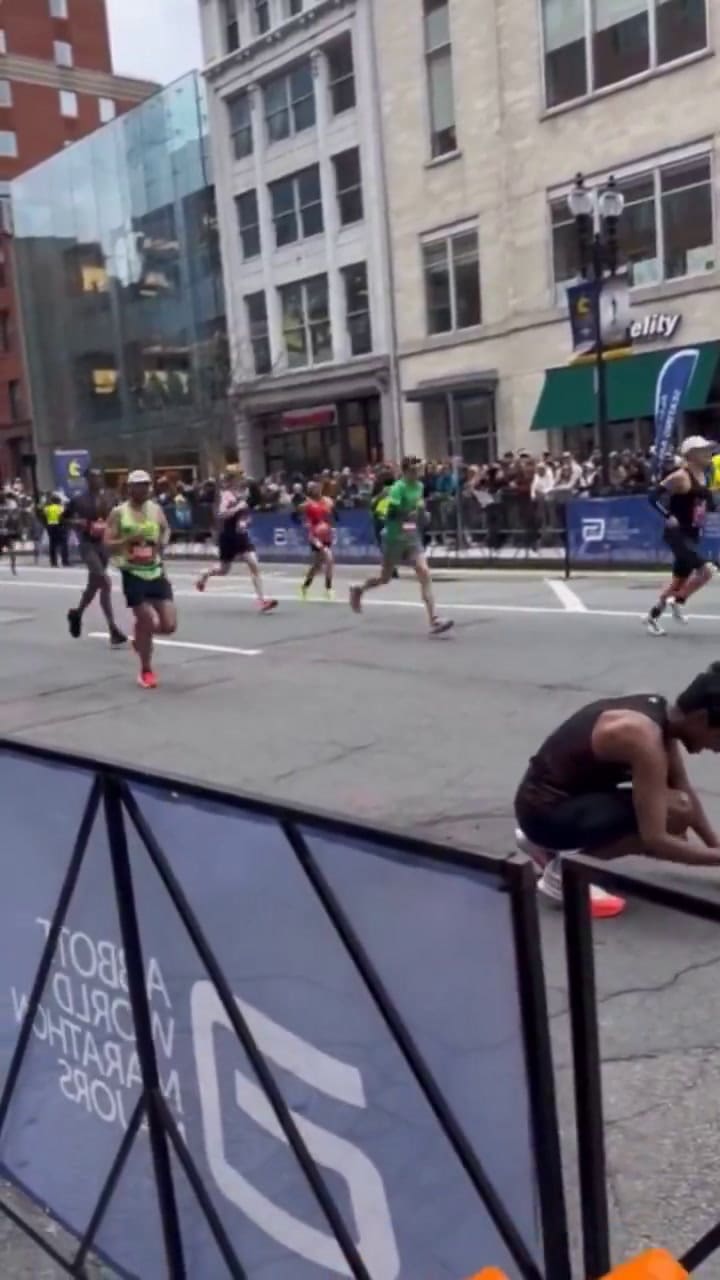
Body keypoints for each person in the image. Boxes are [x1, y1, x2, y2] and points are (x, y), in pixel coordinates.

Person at [514, 665, 720, 920]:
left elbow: (681, 785)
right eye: (719, 738)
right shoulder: (642, 738)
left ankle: (545, 847)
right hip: (543, 812)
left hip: (547, 802)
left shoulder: (659, 717)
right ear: (700, 718)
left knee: (678, 807)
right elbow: (656, 839)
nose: (717, 749)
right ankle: (563, 873)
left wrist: (715, 846)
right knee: (672, 816)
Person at [349, 457, 453, 635]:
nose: (417, 473)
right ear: (405, 472)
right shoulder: (397, 488)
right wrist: (409, 513)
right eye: (413, 470)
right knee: (385, 578)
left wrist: (422, 513)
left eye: (418, 470)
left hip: (411, 535)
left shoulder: (419, 487)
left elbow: (418, 506)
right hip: (393, 536)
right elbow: (391, 513)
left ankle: (434, 619)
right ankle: (359, 589)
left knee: (424, 571)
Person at [104, 470, 176, 690]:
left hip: (156, 570)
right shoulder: (119, 513)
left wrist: (161, 544)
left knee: (169, 625)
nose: (143, 489)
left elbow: (165, 529)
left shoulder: (155, 509)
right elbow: (107, 542)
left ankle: (140, 636)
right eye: (138, 485)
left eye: (146, 485)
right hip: (132, 572)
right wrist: (128, 539)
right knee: (146, 619)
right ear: (129, 488)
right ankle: (146, 669)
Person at [646, 436, 716, 636]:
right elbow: (652, 497)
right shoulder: (680, 476)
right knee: (707, 571)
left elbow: (708, 503)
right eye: (704, 450)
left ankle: (652, 617)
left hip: (693, 534)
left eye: (709, 449)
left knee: (678, 582)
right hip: (676, 535)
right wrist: (668, 515)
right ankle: (677, 601)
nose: (709, 453)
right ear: (691, 455)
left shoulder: (706, 475)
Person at [195, 468, 277, 612]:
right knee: (223, 569)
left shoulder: (243, 494)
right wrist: (238, 508)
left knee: (253, 563)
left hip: (241, 534)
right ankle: (204, 575)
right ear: (232, 480)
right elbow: (221, 514)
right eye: (240, 477)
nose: (243, 479)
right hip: (228, 535)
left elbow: (246, 514)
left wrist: (245, 520)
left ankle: (262, 600)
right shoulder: (226, 495)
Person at [66, 470, 126, 647]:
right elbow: (64, 518)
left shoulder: (110, 497)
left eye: (99, 477)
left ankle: (76, 614)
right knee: (104, 581)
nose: (96, 480)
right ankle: (113, 629)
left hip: (104, 544)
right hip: (87, 544)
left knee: (94, 586)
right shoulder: (78, 500)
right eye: (92, 478)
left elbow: (119, 516)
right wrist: (77, 523)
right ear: (86, 480)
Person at [298, 481, 335, 601]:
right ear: (310, 491)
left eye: (318, 487)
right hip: (315, 536)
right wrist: (304, 519)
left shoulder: (327, 501)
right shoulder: (307, 504)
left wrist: (330, 514)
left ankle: (305, 586)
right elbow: (296, 514)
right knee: (329, 558)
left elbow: (332, 517)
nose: (317, 490)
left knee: (317, 566)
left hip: (326, 534)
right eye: (314, 488)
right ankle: (328, 589)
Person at [43, 493, 68, 567]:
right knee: (63, 544)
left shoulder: (47, 508)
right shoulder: (60, 508)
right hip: (59, 526)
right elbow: (63, 516)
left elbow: (44, 515)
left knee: (52, 544)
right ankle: (65, 561)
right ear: (58, 501)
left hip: (50, 526)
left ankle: (53, 562)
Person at [0, 489, 18, 575]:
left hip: (8, 534)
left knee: (12, 551)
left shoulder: (11, 504)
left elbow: (15, 518)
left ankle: (13, 567)